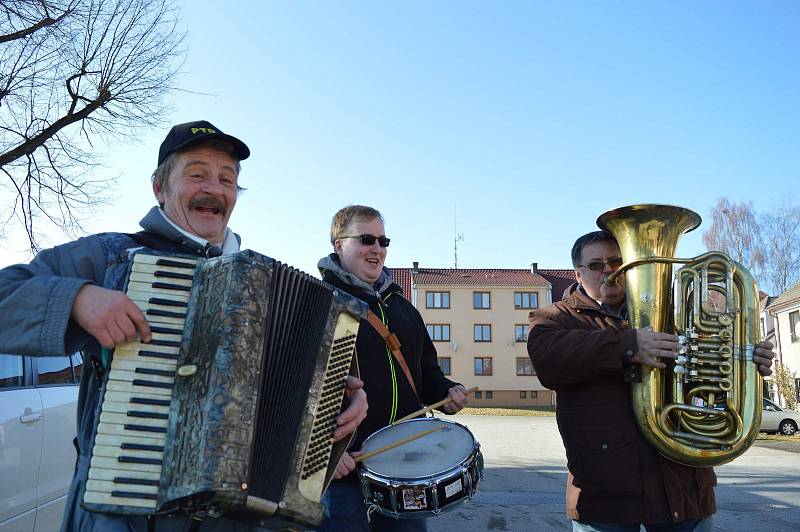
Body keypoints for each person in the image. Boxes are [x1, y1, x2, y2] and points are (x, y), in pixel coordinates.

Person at [0, 120, 368, 532]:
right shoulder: (113, 256)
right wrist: (78, 299)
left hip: (235, 519)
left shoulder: (266, 287)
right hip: (126, 515)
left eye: (227, 179)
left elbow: (298, 398)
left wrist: (342, 412)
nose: (215, 188)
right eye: (197, 175)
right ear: (159, 187)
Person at [527, 230, 776, 532]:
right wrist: (628, 346)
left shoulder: (673, 314)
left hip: (682, 487)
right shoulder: (554, 318)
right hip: (604, 493)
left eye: (617, 261)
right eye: (596, 265)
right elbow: (547, 360)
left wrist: (744, 360)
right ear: (578, 274)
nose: (609, 270)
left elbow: (704, 382)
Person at [316, 205, 469, 532]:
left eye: (384, 241)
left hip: (405, 468)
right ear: (339, 244)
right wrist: (325, 452)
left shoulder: (403, 309)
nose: (377, 248)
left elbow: (425, 370)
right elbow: (295, 388)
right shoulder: (317, 302)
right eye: (366, 239)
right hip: (342, 473)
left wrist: (446, 390)